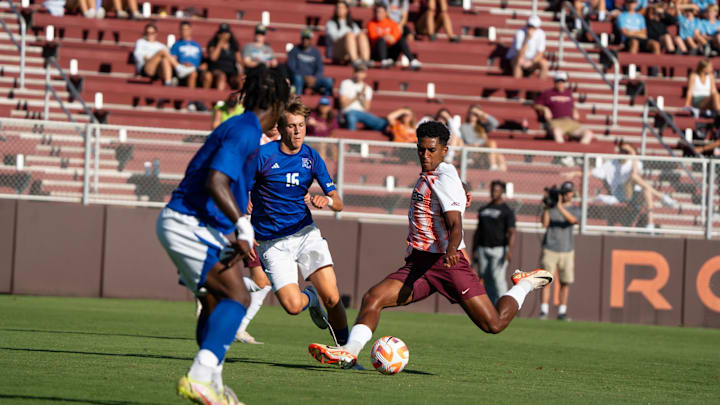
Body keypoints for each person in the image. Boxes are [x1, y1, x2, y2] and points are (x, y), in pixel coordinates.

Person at [307, 121, 553, 369]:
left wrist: (451, 250)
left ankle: (524, 284)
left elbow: (455, 224)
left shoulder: (444, 178)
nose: (425, 155)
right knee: (373, 298)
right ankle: (349, 352)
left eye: (431, 150)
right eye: (421, 149)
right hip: (420, 263)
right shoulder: (437, 173)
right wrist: (464, 188)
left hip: (447, 263)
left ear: (444, 150)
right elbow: (455, 183)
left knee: (494, 324)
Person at [156, 66, 290, 405]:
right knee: (237, 298)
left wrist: (232, 233)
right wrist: (242, 226)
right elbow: (216, 180)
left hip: (202, 225)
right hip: (189, 222)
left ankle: (212, 384)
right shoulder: (245, 129)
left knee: (216, 302)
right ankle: (201, 376)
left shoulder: (243, 128)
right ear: (275, 100)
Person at [249, 99, 349, 347]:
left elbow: (339, 203)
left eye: (301, 126)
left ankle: (347, 350)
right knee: (293, 307)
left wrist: (326, 200)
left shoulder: (312, 157)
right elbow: (239, 187)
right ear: (281, 129)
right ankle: (310, 298)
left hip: (305, 235)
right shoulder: (263, 156)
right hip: (272, 243)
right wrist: (244, 205)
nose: (297, 131)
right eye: (292, 126)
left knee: (334, 297)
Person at [586, 141, 677, 230]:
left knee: (646, 190)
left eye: (627, 152)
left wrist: (633, 156)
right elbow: (593, 172)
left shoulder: (636, 163)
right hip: (620, 192)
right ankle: (662, 197)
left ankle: (650, 223)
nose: (624, 153)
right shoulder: (611, 163)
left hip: (635, 194)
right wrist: (576, 173)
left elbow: (635, 173)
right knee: (634, 177)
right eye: (622, 150)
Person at [539, 181, 579, 321]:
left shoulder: (573, 209)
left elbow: (573, 220)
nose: (569, 194)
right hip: (550, 248)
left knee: (565, 282)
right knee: (546, 281)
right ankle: (543, 311)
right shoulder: (551, 208)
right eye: (566, 192)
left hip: (566, 250)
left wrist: (559, 207)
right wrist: (546, 208)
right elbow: (544, 224)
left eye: (570, 192)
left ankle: (562, 311)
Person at [472, 180, 516, 304]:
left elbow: (512, 232)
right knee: (487, 279)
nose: (493, 192)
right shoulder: (484, 209)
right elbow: (478, 231)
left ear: (502, 192)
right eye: (492, 190)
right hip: (483, 248)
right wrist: (474, 249)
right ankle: (492, 306)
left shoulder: (507, 211)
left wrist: (509, 251)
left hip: (499, 249)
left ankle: (504, 305)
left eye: (496, 190)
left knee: (498, 279)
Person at [533, 71, 594, 145]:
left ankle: (578, 153)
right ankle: (561, 154)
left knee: (588, 133)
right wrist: (545, 109)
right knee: (557, 132)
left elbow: (572, 105)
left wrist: (574, 110)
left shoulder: (568, 93)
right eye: (558, 81)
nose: (560, 84)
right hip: (555, 122)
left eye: (563, 81)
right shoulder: (548, 93)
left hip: (570, 122)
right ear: (555, 82)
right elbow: (536, 105)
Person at [367, 2, 422, 69]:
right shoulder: (371, 24)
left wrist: (390, 39)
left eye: (380, 12)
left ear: (386, 13)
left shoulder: (391, 23)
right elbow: (373, 38)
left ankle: (412, 61)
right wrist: (385, 37)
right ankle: (383, 61)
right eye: (377, 12)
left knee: (401, 40)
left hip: (391, 50)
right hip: (377, 52)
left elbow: (396, 36)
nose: (378, 14)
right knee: (381, 40)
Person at [338, 64, 388, 131]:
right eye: (357, 72)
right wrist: (358, 96)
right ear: (354, 73)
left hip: (362, 113)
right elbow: (343, 104)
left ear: (365, 74)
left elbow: (367, 108)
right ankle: (351, 139)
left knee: (382, 123)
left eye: (362, 72)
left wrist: (362, 97)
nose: (359, 74)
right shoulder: (346, 83)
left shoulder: (367, 88)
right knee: (352, 117)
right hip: (349, 111)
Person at [287, 28, 334, 96]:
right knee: (298, 78)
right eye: (303, 38)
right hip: (300, 78)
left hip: (313, 79)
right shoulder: (294, 50)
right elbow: (291, 67)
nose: (305, 40)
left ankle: (325, 103)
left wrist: (315, 78)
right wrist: (304, 77)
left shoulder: (316, 52)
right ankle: (298, 102)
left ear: (311, 39)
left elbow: (320, 68)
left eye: (307, 38)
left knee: (328, 81)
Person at [459, 104, 506, 171]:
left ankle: (496, 169)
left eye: (476, 114)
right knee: (496, 152)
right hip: (472, 151)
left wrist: (482, 113)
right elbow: (461, 142)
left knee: (499, 155)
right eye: (472, 113)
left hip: (484, 151)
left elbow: (495, 123)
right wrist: (473, 145)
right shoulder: (463, 127)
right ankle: (493, 166)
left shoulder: (482, 126)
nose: (473, 116)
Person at [325, 0, 371, 68]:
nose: (339, 10)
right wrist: (348, 34)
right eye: (338, 7)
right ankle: (355, 60)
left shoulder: (352, 24)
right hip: (337, 51)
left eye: (342, 8)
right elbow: (334, 38)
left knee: (362, 35)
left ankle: (365, 60)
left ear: (346, 10)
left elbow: (358, 35)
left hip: (349, 51)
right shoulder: (331, 23)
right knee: (349, 35)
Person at [205, 23, 242, 91]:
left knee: (241, 79)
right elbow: (213, 58)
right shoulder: (213, 44)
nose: (223, 35)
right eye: (222, 33)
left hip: (231, 71)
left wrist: (240, 71)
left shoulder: (233, 46)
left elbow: (239, 61)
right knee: (222, 76)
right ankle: (220, 99)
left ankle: (241, 100)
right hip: (217, 69)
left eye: (226, 33)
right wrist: (219, 44)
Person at [170, 21, 203, 89]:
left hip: (196, 69)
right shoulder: (176, 45)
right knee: (193, 74)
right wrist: (183, 64)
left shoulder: (197, 45)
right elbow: (173, 60)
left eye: (186, 29)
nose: (184, 31)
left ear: (190, 30)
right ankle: (191, 97)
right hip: (183, 69)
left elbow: (201, 60)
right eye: (182, 29)